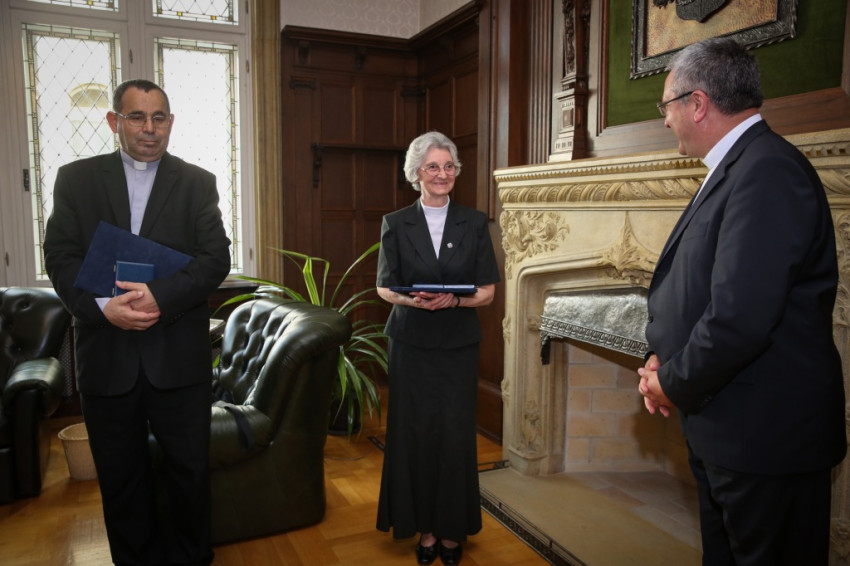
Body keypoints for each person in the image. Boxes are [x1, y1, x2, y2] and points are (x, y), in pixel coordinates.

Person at [638, 37, 847, 565]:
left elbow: (739, 318)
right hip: (729, 429)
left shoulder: (768, 171)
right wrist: (660, 356)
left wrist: (671, 381)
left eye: (666, 106)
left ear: (698, 103)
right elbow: (703, 288)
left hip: (765, 440)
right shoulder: (740, 165)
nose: (666, 120)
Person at [44, 79, 231, 566]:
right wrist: (101, 308)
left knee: (189, 473)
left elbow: (215, 259)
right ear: (115, 121)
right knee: (121, 477)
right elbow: (59, 257)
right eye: (137, 117)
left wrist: (160, 297)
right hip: (107, 355)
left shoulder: (197, 182)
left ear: (171, 123)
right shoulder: (76, 179)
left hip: (178, 357)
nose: (149, 128)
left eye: (159, 117)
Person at [375, 131, 500, 565]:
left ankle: (450, 532)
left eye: (449, 166)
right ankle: (424, 530)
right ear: (416, 174)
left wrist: (455, 301)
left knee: (453, 435)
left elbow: (487, 292)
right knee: (415, 434)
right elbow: (384, 287)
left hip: (458, 345)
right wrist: (417, 300)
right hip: (410, 344)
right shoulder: (395, 222)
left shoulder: (475, 222)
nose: (442, 174)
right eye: (433, 166)